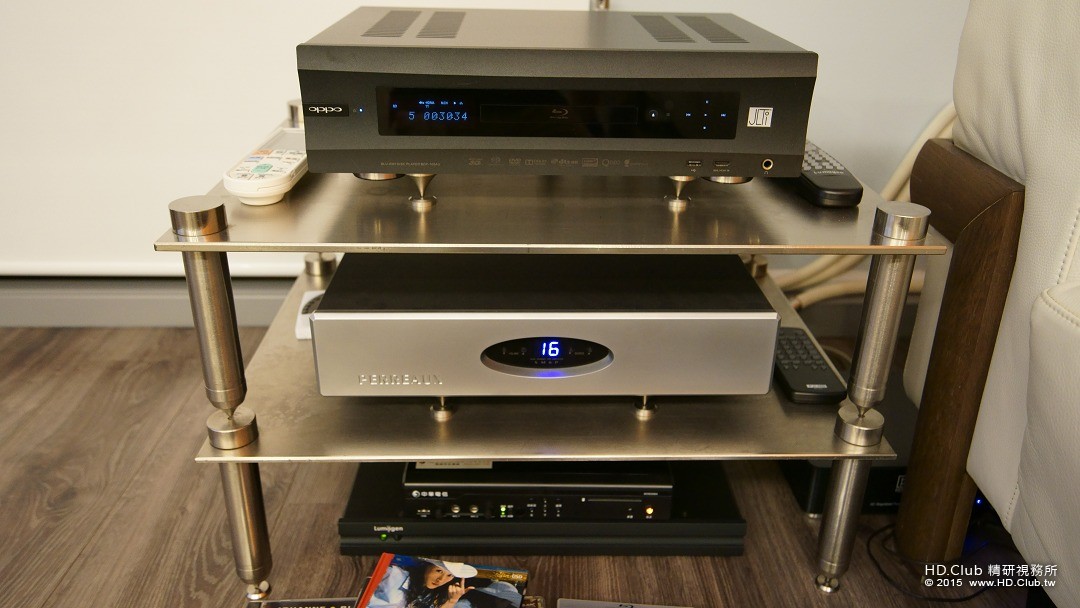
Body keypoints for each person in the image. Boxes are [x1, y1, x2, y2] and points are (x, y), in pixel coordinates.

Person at [369, 557, 478, 608]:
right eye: (438, 571)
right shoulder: (394, 574)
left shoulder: (427, 595)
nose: (441, 580)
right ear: (426, 566)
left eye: (449, 575)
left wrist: (452, 601)